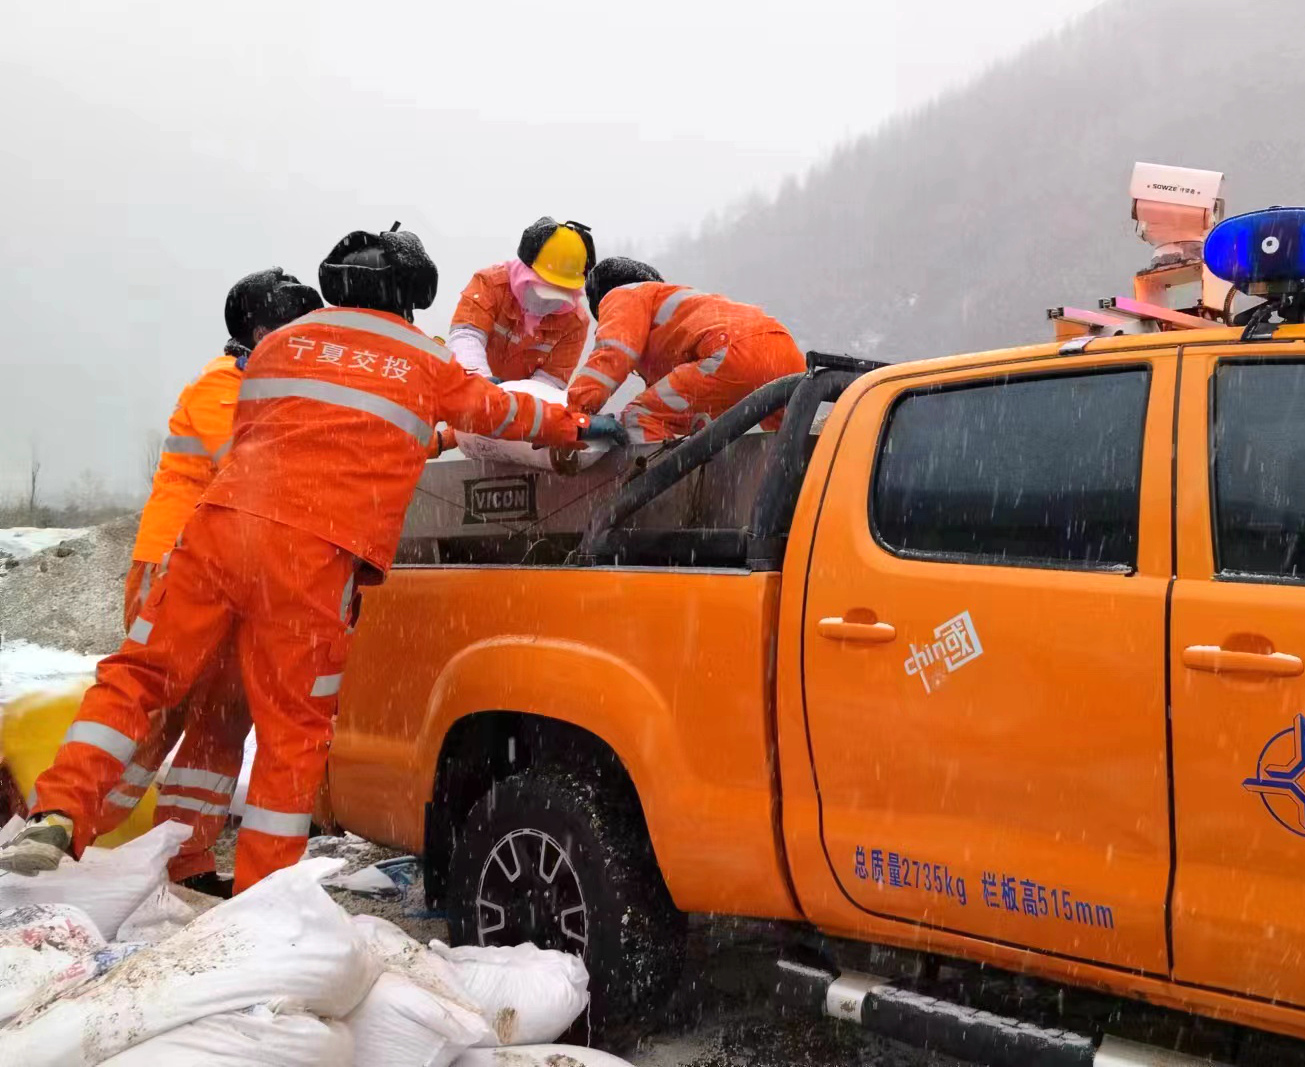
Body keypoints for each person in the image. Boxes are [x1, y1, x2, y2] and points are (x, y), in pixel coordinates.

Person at [0, 225, 626, 890]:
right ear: (408, 297)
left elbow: (273, 434)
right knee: (290, 732)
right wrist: (581, 425)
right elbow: (498, 412)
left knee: (141, 676)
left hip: (216, 535)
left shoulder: (275, 348)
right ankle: (260, 895)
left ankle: (62, 808)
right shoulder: (422, 357)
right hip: (312, 556)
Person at [97, 269, 322, 895]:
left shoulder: (271, 390)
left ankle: (185, 861)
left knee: (223, 724)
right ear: (261, 331)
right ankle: (73, 834)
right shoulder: (223, 387)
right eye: (298, 334)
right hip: (175, 571)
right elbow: (255, 466)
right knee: (156, 714)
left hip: (236, 579)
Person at [568, 258, 807, 441]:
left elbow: (614, 353)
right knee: (791, 443)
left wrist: (574, 415)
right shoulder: (679, 306)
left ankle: (659, 502)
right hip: (783, 351)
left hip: (729, 353)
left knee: (640, 417)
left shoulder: (625, 294)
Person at [447, 218, 594, 388]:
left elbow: (550, 380)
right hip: (465, 390)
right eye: (545, 290)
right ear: (528, 271)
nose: (548, 302)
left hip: (518, 408)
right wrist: (481, 385)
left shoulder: (575, 323)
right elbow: (466, 336)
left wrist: (515, 402)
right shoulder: (490, 285)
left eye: (560, 294)